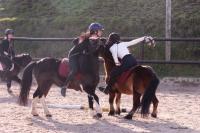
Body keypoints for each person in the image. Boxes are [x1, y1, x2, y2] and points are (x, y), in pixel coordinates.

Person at [64, 22, 104, 88]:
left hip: (82, 56)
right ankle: (65, 85)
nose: (101, 32)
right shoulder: (86, 36)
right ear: (95, 31)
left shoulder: (97, 39)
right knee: (75, 69)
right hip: (74, 56)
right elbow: (74, 41)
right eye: (100, 31)